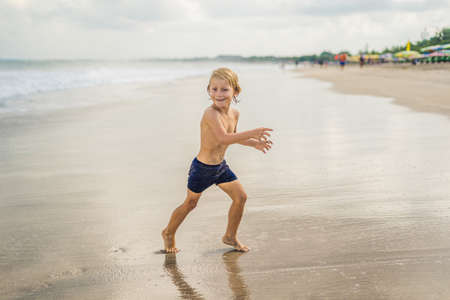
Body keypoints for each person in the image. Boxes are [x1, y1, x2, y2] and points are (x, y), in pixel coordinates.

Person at [162, 68, 273, 253]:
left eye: (224, 89)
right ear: (208, 90)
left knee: (241, 197)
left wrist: (254, 143)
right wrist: (253, 132)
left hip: (220, 167)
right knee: (190, 203)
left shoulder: (234, 114)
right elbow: (222, 138)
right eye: (214, 89)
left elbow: (234, 136)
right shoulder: (210, 113)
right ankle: (168, 232)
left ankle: (230, 236)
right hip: (202, 168)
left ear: (235, 91)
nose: (218, 94)